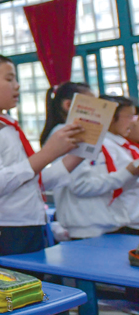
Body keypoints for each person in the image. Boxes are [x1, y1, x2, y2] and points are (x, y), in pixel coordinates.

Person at [0, 53, 82, 268]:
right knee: (6, 298)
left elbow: (33, 180)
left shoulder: (8, 127)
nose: (17, 86)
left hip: (30, 224)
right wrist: (48, 153)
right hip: (1, 230)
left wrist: (79, 154)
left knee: (31, 295)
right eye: (9, 79)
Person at [55, 95, 139, 239]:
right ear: (111, 117)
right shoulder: (84, 141)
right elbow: (81, 185)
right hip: (92, 226)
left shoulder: (122, 145)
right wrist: (128, 172)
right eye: (130, 116)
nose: (134, 122)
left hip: (115, 222)